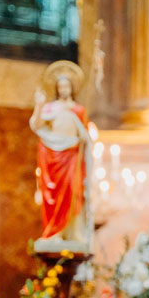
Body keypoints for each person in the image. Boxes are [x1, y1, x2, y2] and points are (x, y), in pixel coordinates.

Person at [29, 61, 92, 250]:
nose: (64, 89)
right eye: (61, 86)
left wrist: (85, 140)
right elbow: (37, 125)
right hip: (54, 154)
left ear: (72, 88)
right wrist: (39, 105)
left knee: (72, 191)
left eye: (67, 86)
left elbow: (85, 135)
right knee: (53, 194)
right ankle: (54, 232)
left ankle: (72, 232)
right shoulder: (50, 108)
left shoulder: (78, 110)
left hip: (72, 156)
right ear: (56, 89)